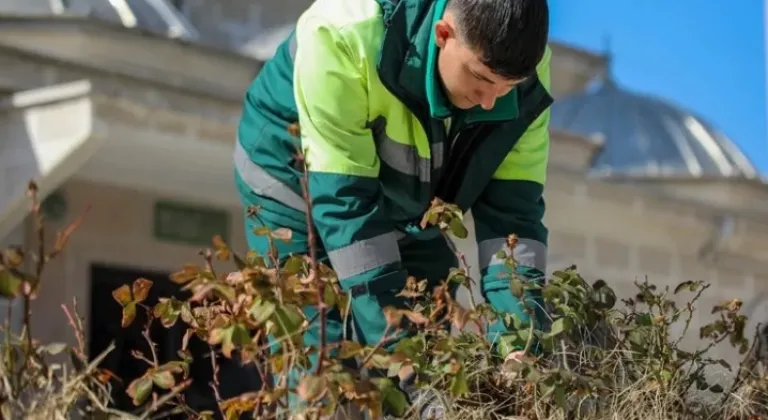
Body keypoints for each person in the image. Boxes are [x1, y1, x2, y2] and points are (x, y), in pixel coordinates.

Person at [233, 0, 552, 415]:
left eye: (506, 88)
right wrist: (411, 366)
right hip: (299, 189)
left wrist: (518, 345)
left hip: (412, 203)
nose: (491, 102)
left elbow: (515, 220)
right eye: (480, 78)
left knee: (433, 354)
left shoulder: (528, 68)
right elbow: (347, 215)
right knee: (319, 369)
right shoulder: (343, 35)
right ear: (443, 34)